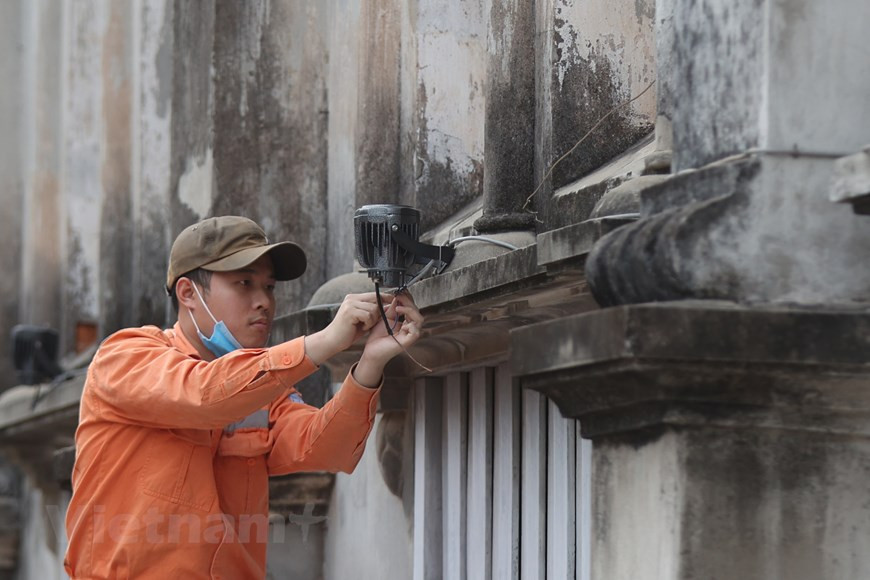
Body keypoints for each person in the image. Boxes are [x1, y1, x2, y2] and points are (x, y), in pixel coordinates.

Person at [64, 216, 423, 578]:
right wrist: (327, 341)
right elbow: (205, 395)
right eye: (244, 283)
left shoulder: (262, 386)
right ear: (188, 293)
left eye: (269, 287)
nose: (263, 302)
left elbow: (328, 448)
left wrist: (371, 361)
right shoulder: (125, 356)